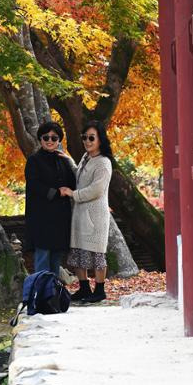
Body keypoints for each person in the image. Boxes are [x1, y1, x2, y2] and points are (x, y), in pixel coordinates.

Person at [62, 119, 113, 304]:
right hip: (80, 213)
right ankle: (83, 288)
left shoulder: (104, 162)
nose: (87, 141)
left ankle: (99, 290)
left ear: (100, 139)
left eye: (92, 137)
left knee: (97, 253)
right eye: (84, 137)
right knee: (78, 252)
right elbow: (79, 176)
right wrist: (66, 159)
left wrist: (73, 194)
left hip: (95, 215)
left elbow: (96, 189)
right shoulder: (86, 158)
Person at [24, 121, 77, 275]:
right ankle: (41, 295)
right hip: (41, 218)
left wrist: (70, 162)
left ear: (59, 141)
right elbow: (34, 185)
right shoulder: (34, 160)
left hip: (60, 218)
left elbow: (73, 184)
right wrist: (56, 192)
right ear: (40, 139)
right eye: (46, 137)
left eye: (54, 138)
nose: (49, 141)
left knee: (56, 258)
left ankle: (53, 294)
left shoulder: (63, 161)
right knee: (42, 257)